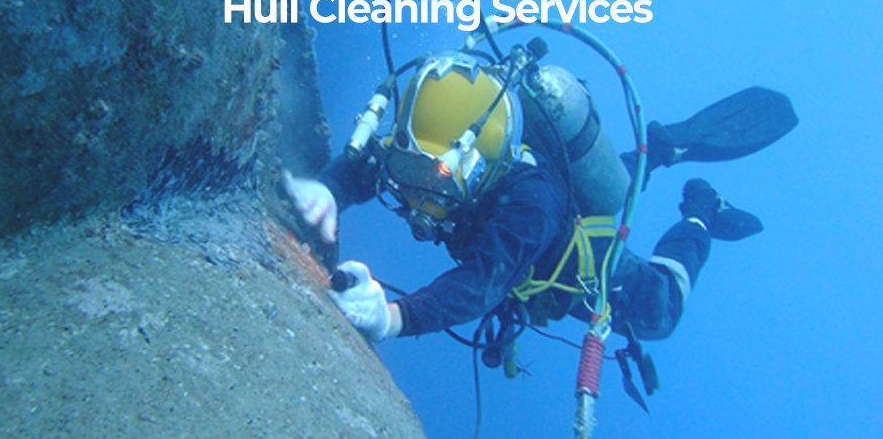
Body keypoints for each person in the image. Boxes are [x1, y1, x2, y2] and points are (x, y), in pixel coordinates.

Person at [283, 50, 794, 346]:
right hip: (542, 190)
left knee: (661, 313)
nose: (419, 199)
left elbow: (485, 280)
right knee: (602, 182)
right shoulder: (448, 137)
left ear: (476, 165)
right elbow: (375, 162)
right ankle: (657, 151)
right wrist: (330, 189)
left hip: (578, 263)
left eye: (437, 178)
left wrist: (395, 317)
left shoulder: (532, 203)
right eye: (411, 167)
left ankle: (703, 213)